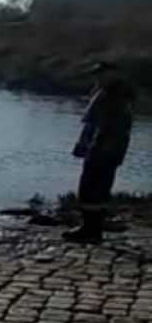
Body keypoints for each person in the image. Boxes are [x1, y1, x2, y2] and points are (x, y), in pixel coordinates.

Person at [63, 61, 137, 243]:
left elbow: (112, 127)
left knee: (93, 188)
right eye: (97, 74)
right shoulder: (105, 93)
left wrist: (99, 147)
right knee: (92, 188)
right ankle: (90, 227)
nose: (98, 77)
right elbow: (92, 123)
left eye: (102, 73)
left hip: (105, 149)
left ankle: (91, 230)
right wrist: (83, 143)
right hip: (100, 147)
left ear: (114, 73)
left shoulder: (116, 96)